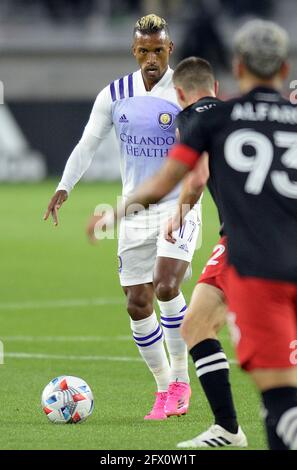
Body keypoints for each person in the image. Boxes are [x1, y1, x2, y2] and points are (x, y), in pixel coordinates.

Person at [96, 20, 297, 450]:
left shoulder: (217, 117)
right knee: (197, 321)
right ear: (283, 69)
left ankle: (265, 426)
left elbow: (185, 176)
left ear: (238, 67)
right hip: (256, 246)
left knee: (276, 386)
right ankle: (227, 429)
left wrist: (114, 213)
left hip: (256, 253)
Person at [44, 14, 201, 420]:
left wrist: (187, 204)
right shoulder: (114, 94)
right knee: (137, 302)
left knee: (166, 285)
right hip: (135, 208)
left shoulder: (182, 94)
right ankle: (164, 389)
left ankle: (182, 380)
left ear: (171, 50)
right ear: (134, 51)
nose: (151, 57)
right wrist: (64, 186)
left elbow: (200, 155)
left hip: (178, 203)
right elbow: (88, 142)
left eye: (159, 50)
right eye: (144, 50)